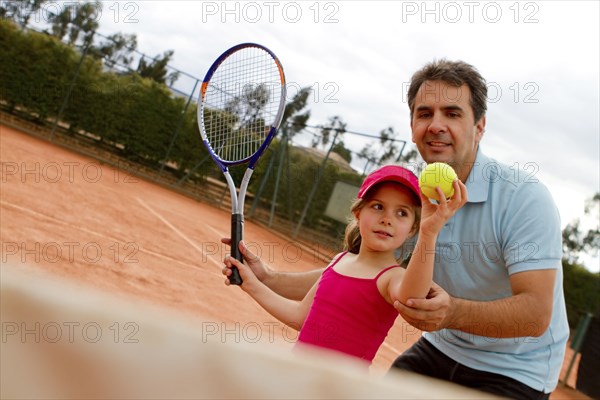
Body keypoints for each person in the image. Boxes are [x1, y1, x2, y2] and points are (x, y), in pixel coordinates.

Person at [222, 59, 569, 399]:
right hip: (442, 348)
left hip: (517, 369)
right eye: (424, 113)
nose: (435, 125)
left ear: (479, 126)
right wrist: (268, 277)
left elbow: (535, 314)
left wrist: (452, 312)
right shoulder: (411, 204)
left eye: (452, 113)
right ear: (412, 126)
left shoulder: (524, 198)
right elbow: (348, 278)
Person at [223, 165, 467, 364]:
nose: (387, 219)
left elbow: (412, 296)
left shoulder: (392, 278)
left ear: (413, 228)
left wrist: (429, 233)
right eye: (378, 206)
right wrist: (252, 282)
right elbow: (300, 318)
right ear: (359, 213)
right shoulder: (339, 260)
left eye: (401, 213)